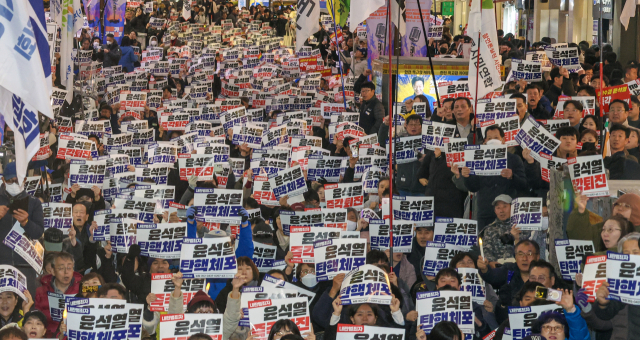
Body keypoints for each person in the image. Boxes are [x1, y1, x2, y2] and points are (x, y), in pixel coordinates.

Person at [457, 125, 527, 229]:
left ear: (503, 140)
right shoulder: (477, 160)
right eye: (489, 138)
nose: (493, 141)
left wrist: (512, 176)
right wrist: (466, 176)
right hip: (485, 213)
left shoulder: (514, 159)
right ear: (485, 141)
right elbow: (473, 187)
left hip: (508, 214)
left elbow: (524, 185)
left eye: (496, 138)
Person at [0, 162, 44, 299]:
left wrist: (26, 222)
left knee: (27, 308)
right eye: (10, 180)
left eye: (17, 180)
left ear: (25, 180)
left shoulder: (34, 202)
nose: (14, 184)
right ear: (3, 180)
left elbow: (38, 232)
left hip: (26, 266)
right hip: (1, 266)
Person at [478, 240, 540, 324]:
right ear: (515, 257)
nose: (524, 258)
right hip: (508, 324)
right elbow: (493, 276)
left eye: (529, 254)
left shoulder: (544, 272)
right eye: (520, 254)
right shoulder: (509, 270)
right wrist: (485, 269)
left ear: (538, 257)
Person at [35, 252, 82, 335]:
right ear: (52, 271)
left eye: (69, 268)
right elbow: (36, 319)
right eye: (61, 268)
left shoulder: (81, 289)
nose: (66, 272)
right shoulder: (41, 291)